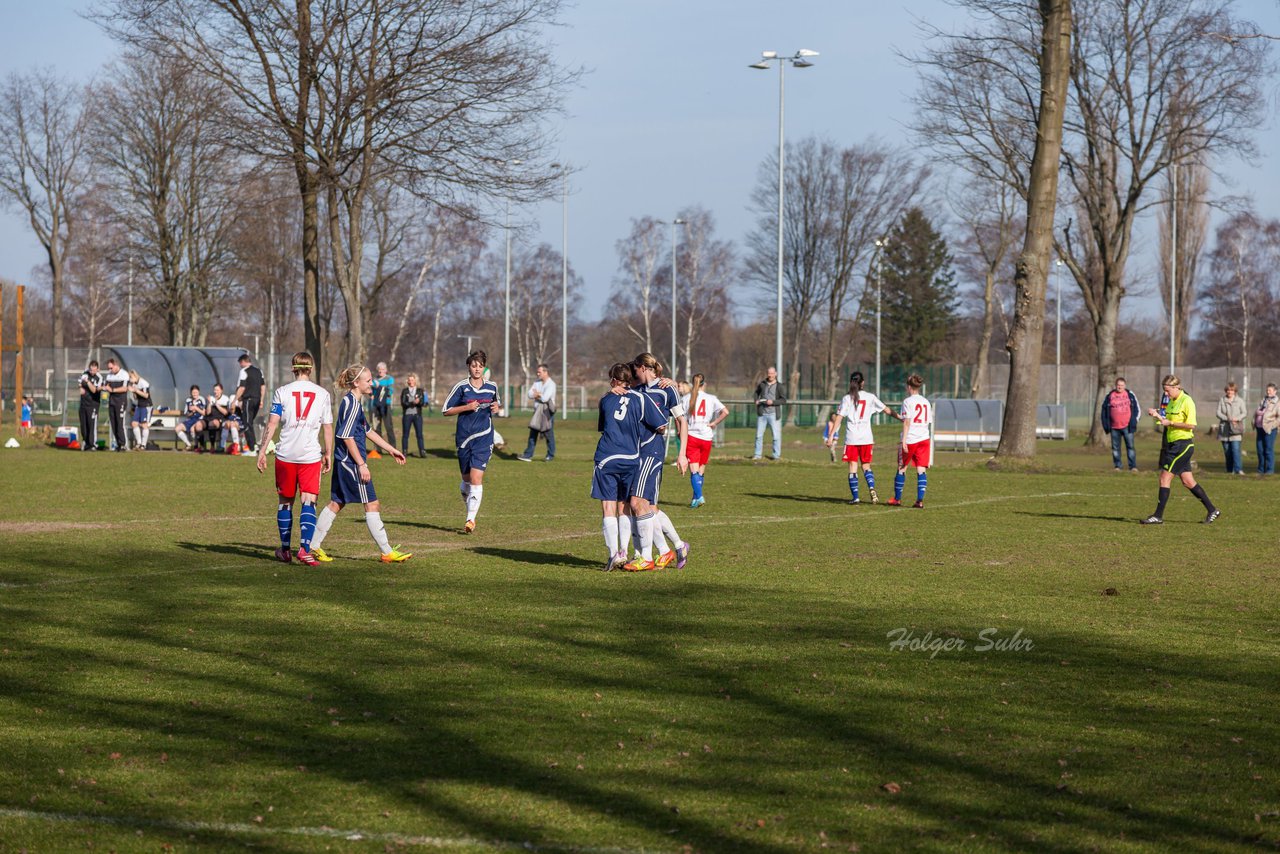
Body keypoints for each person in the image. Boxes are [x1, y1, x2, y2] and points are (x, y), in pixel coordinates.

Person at [308, 364, 412, 562]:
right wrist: (361, 464)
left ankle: (313, 546)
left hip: (344, 461)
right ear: (356, 383)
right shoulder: (351, 404)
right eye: (368, 380)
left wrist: (391, 449)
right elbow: (346, 437)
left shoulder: (355, 402)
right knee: (372, 503)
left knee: (336, 503)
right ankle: (387, 552)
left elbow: (367, 431)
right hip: (350, 463)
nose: (371, 383)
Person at [257, 351, 335, 565]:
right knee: (309, 500)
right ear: (310, 369)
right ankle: (304, 549)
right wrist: (328, 453)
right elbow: (328, 428)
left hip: (285, 454)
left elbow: (272, 423)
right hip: (310, 455)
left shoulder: (282, 392)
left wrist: (262, 450)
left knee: (285, 502)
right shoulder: (322, 393)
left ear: (293, 369)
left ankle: (284, 550)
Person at [592, 362, 669, 571]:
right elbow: (662, 424)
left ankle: (613, 554)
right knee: (625, 505)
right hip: (631, 458)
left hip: (607, 457)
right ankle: (625, 552)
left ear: (615, 380)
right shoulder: (641, 398)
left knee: (608, 507)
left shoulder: (606, 399)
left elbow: (603, 427)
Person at [626, 353, 691, 571]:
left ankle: (646, 557)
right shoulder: (638, 390)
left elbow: (682, 421)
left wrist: (682, 454)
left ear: (643, 367)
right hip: (636, 453)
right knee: (650, 507)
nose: (634, 373)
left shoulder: (666, 388)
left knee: (637, 504)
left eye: (635, 369)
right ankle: (675, 547)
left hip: (651, 453)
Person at [1142, 374, 1219, 524]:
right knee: (1188, 481)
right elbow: (1167, 420)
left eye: (1167, 390)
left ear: (1177, 387)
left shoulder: (1187, 401)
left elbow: (1191, 425)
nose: (1165, 394)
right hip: (1173, 444)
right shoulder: (1171, 402)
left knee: (1164, 478)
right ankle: (1212, 510)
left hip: (1182, 445)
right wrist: (1157, 415)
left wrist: (1170, 423)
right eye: (1164, 390)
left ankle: (1157, 516)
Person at [443, 350, 503, 534]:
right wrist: (466, 407)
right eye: (474, 365)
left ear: (484, 368)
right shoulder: (461, 387)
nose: (477, 369)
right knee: (466, 480)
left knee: (477, 478)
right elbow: (446, 410)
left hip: (484, 438)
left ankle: (470, 520)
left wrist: (496, 407)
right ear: (469, 367)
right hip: (464, 439)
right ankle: (469, 505)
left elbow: (497, 404)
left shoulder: (492, 386)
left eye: (480, 366)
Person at [827, 371, 903, 505]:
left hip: (852, 438)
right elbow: (886, 410)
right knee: (866, 466)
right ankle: (872, 488)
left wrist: (831, 435)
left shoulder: (847, 398)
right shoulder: (870, 397)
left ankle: (856, 497)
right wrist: (900, 418)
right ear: (862, 383)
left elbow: (839, 418)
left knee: (853, 466)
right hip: (866, 438)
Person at [681, 373, 728, 508]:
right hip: (707, 436)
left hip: (692, 436)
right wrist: (714, 423)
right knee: (701, 470)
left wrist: (680, 430)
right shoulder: (711, 398)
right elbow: (725, 411)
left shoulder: (686, 398)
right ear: (704, 384)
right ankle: (695, 499)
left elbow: (681, 418)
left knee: (694, 470)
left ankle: (700, 496)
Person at [888, 373, 933, 508]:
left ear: (908, 387)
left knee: (902, 467)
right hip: (924, 438)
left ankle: (897, 499)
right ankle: (919, 501)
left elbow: (907, 422)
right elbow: (928, 422)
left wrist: (904, 440)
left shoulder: (908, 401)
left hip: (911, 439)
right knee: (921, 470)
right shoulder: (926, 402)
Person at [518, 363, 557, 462]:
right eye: (537, 372)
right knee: (533, 433)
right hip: (536, 413)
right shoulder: (537, 382)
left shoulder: (551, 384)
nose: (537, 373)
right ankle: (528, 455)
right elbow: (529, 394)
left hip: (547, 413)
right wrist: (537, 394)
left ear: (545, 372)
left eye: (539, 372)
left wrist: (537, 394)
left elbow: (545, 399)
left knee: (549, 434)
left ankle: (550, 455)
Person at [1101, 376, 1140, 472]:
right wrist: (1106, 425)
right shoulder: (1110, 395)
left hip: (1127, 427)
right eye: (1118, 385)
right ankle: (1117, 466)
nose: (1120, 387)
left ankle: (1133, 467)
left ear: (1125, 385)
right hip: (1114, 427)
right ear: (1116, 385)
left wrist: (1134, 421)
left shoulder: (1130, 395)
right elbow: (1104, 411)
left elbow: (1137, 409)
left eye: (1122, 385)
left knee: (1130, 447)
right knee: (1115, 448)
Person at [234, 353, 266, 453]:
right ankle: (253, 445)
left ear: (243, 362)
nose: (240, 365)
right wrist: (261, 399)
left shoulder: (244, 371)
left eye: (240, 363)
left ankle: (252, 448)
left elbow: (242, 388)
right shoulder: (259, 371)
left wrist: (235, 399)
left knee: (247, 424)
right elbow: (263, 387)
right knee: (250, 422)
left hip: (248, 400)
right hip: (257, 400)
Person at [753, 366, 786, 460]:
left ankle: (776, 456)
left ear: (775, 374)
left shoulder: (779, 386)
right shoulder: (762, 384)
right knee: (758, 435)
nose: (770, 375)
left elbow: (783, 400)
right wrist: (756, 400)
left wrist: (773, 402)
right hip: (762, 414)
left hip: (773, 414)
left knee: (776, 436)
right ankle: (757, 455)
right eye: (769, 373)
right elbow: (756, 393)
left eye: (772, 373)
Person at [1216, 382, 1246, 475]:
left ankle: (1238, 469)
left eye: (1232, 390)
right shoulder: (1222, 400)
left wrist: (1237, 419)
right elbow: (1218, 413)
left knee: (1236, 450)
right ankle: (1229, 470)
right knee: (1227, 452)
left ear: (1235, 391)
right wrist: (1228, 419)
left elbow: (1244, 413)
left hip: (1236, 429)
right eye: (1228, 390)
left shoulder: (1240, 401)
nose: (1230, 392)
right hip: (1224, 429)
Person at [102, 357, 131, 451]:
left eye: (111, 368)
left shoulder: (124, 374)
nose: (110, 370)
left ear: (116, 365)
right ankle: (118, 444)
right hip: (112, 401)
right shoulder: (109, 375)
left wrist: (113, 390)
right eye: (109, 368)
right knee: (113, 423)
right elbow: (105, 386)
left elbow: (125, 388)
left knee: (120, 423)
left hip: (121, 401)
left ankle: (123, 444)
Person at [1253, 383, 1279, 476]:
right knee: (1260, 450)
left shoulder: (1277, 403)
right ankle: (1260, 470)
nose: (1268, 392)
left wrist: (1272, 426)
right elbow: (1257, 412)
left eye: (1270, 390)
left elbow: (1279, 418)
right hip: (1259, 428)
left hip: (1270, 430)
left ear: (1275, 391)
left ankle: (1269, 471)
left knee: (1268, 450)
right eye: (1267, 390)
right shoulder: (1263, 400)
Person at [77, 360, 103, 451]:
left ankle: (93, 444)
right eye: (91, 370)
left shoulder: (99, 377)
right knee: (83, 425)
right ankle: (86, 442)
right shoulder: (84, 373)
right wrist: (80, 387)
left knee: (91, 425)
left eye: (94, 370)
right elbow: (80, 383)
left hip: (93, 404)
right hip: (83, 403)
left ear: (98, 369)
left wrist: (87, 382)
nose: (92, 372)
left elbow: (94, 390)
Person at [400, 372, 427, 458]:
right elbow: (403, 403)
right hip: (407, 416)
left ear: (416, 380)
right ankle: (404, 452)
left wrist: (419, 402)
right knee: (405, 435)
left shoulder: (420, 391)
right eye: (409, 380)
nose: (411, 381)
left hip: (417, 416)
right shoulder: (405, 391)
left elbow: (422, 403)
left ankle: (422, 452)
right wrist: (412, 402)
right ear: (407, 381)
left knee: (419, 434)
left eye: (412, 379)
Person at [371, 361, 396, 451]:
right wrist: (372, 394)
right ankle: (378, 449)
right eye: (379, 369)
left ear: (386, 370)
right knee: (376, 428)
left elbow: (390, 391)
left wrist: (379, 387)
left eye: (382, 369)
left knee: (389, 427)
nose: (380, 371)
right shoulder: (374, 380)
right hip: (375, 405)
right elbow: (370, 390)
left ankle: (393, 449)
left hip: (385, 405)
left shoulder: (389, 379)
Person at [176, 385, 207, 451]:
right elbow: (187, 414)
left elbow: (204, 413)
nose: (194, 394)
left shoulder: (201, 399)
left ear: (199, 392)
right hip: (191, 419)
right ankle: (189, 445)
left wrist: (196, 408)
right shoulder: (188, 400)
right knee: (177, 428)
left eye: (196, 392)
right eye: (193, 392)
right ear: (190, 393)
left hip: (200, 419)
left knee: (193, 428)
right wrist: (192, 412)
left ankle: (197, 446)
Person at [128, 370, 152, 451]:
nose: (130, 379)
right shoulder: (134, 384)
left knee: (144, 425)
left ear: (135, 376)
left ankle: (143, 445)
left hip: (146, 406)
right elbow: (136, 397)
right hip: (139, 405)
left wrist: (136, 390)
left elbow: (146, 395)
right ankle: (138, 443)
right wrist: (133, 392)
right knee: (134, 423)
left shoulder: (143, 383)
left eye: (131, 377)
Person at [205, 383, 231, 452]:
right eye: (214, 390)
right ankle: (212, 446)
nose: (215, 391)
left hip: (223, 419)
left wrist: (216, 404)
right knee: (212, 422)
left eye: (217, 390)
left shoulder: (225, 399)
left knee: (219, 423)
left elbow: (225, 412)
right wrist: (210, 403)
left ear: (221, 390)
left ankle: (221, 446)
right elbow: (208, 412)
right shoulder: (212, 398)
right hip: (213, 419)